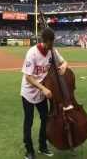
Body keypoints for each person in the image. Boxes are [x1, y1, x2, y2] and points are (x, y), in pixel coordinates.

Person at [20, 27, 68, 159]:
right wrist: (43, 88)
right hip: (28, 93)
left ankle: (42, 146)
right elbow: (28, 77)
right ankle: (29, 150)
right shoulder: (32, 53)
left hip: (42, 94)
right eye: (50, 43)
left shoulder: (52, 51)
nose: (52, 46)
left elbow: (64, 62)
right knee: (28, 122)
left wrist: (64, 66)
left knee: (45, 120)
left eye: (53, 43)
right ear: (44, 41)